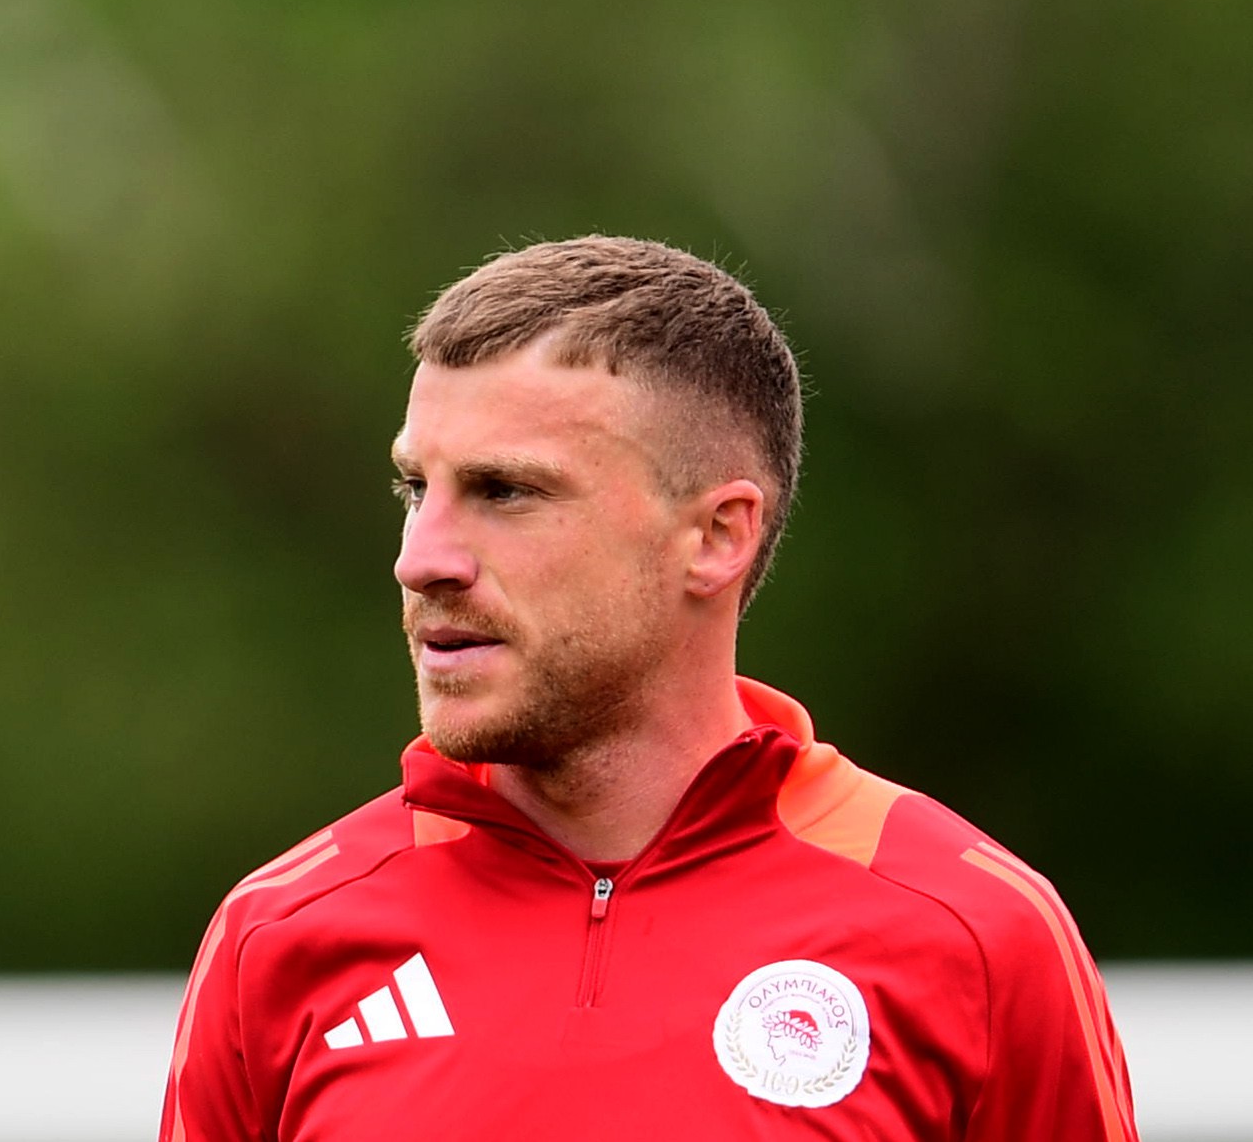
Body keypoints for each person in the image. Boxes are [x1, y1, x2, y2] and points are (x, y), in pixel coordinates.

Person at [159, 237, 1135, 1141]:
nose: (421, 558)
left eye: (504, 490)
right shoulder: (279, 933)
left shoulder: (972, 929)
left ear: (715, 536)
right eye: (417, 488)